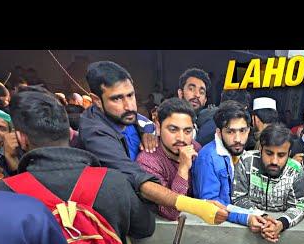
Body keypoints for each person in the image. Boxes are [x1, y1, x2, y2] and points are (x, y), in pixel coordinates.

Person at [0, 89, 155, 244]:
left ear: (21, 138)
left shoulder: (1, 194)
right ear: (70, 133)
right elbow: (145, 228)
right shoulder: (114, 182)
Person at [77, 61, 227, 225]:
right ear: (97, 100)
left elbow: (143, 121)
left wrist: (148, 132)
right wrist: (196, 206)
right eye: (117, 98)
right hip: (114, 218)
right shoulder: (96, 134)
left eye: (130, 95)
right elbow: (136, 177)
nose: (129, 106)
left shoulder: (128, 116)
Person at [192, 100, 266, 230]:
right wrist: (246, 218)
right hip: (216, 231)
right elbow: (212, 206)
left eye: (242, 130)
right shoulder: (208, 158)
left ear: (249, 130)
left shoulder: (243, 154)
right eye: (230, 132)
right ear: (219, 133)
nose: (238, 139)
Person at [233, 123, 304, 242]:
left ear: (289, 153)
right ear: (260, 149)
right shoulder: (246, 161)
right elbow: (238, 198)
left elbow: (299, 207)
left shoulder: (295, 170)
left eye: (281, 155)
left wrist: (281, 224)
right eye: (269, 153)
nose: (274, 161)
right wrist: (263, 218)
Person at [136, 98, 199, 221]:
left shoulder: (195, 148)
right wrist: (183, 168)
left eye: (187, 131)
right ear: (158, 127)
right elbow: (171, 213)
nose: (181, 138)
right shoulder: (148, 162)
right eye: (173, 129)